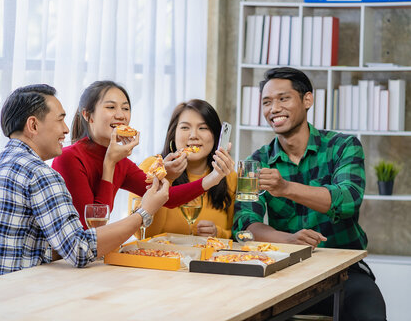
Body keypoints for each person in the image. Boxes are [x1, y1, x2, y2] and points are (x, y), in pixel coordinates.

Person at [0, 84, 170, 285]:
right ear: (33, 125)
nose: (67, 129)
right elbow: (80, 250)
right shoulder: (38, 173)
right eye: (60, 120)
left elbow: (24, 246)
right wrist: (144, 213)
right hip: (13, 303)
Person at [233, 67, 386, 320]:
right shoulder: (256, 163)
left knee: (369, 314)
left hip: (344, 273)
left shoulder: (343, 147)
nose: (274, 109)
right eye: (267, 102)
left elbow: (347, 201)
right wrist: (288, 239)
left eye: (283, 99)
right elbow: (244, 226)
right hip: (284, 272)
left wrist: (286, 188)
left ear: (307, 100)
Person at [52, 81, 234, 229]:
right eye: (110, 107)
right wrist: (109, 164)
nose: (120, 115)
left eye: (125, 108)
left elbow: (169, 198)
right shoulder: (69, 158)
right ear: (88, 115)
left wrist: (213, 178)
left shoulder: (121, 162)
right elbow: (93, 227)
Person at [130, 99, 237, 238]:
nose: (193, 136)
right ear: (173, 134)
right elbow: (142, 234)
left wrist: (220, 233)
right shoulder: (152, 168)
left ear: (216, 136)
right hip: (162, 257)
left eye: (203, 128)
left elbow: (237, 235)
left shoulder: (228, 176)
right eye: (185, 128)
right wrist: (164, 179)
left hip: (207, 258)